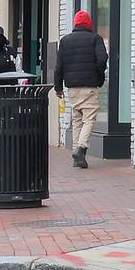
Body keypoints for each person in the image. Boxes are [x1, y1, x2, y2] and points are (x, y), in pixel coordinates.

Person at [56, 9, 108, 169]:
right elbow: (102, 58)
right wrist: (98, 75)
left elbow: (59, 67)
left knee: (77, 119)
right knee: (89, 119)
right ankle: (81, 148)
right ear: (89, 23)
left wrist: (58, 87)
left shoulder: (65, 40)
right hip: (89, 87)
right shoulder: (95, 39)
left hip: (72, 87)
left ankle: (77, 157)